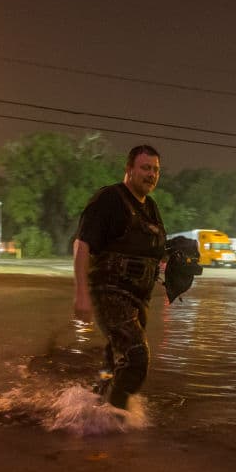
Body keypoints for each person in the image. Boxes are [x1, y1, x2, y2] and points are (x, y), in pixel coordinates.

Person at [73, 145, 166, 410]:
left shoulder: (151, 207)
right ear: (129, 169)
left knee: (114, 362)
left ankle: (93, 408)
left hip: (138, 301)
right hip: (110, 294)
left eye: (156, 169)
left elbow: (148, 252)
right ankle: (115, 417)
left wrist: (176, 259)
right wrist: (81, 294)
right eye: (145, 168)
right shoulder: (109, 199)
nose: (151, 174)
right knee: (136, 359)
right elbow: (82, 245)